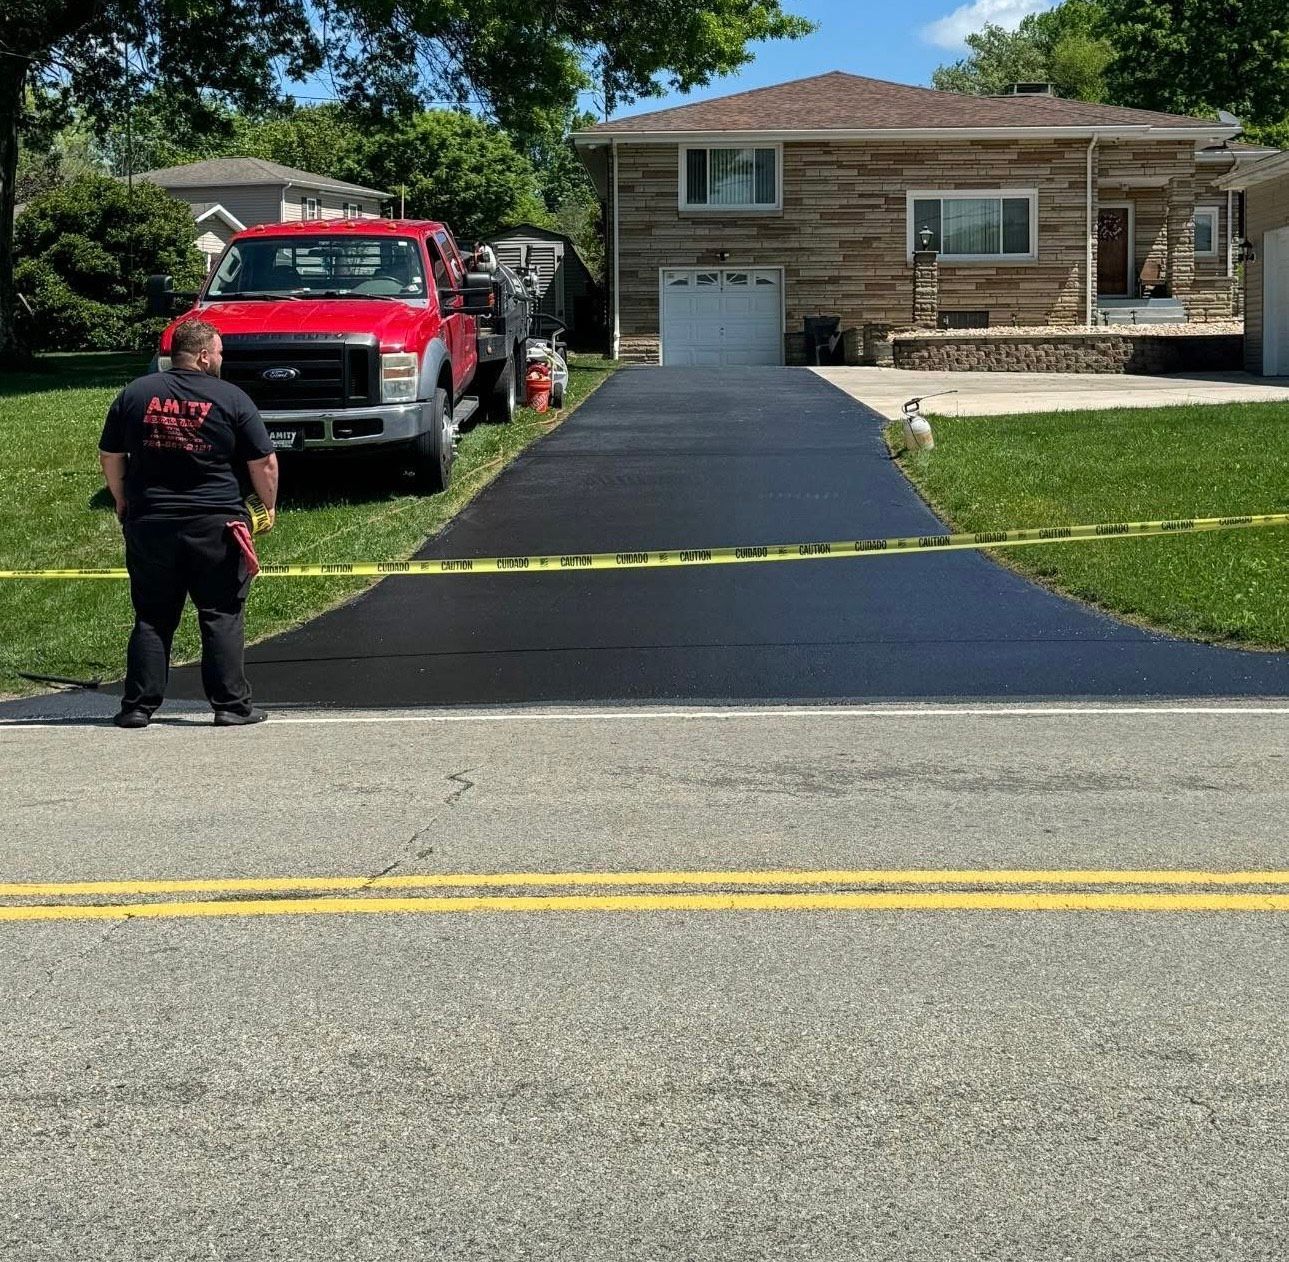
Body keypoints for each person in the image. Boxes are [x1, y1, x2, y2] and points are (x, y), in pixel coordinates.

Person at [98, 320, 279, 728]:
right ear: (202, 355)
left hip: (151, 522)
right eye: (217, 353)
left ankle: (138, 707)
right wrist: (267, 507)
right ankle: (231, 707)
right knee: (220, 611)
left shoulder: (135, 394)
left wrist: (122, 498)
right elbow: (265, 463)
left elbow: (110, 456)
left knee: (153, 614)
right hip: (216, 523)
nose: (220, 359)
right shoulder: (231, 398)